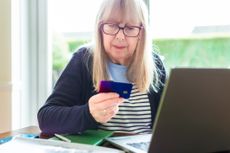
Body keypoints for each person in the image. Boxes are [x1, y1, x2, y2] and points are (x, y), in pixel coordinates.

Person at [37, 0, 166, 135]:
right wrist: (88, 113)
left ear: (141, 32)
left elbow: (169, 123)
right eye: (111, 25)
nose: (120, 36)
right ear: (100, 29)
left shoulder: (155, 64)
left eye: (130, 28)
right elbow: (46, 119)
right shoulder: (84, 60)